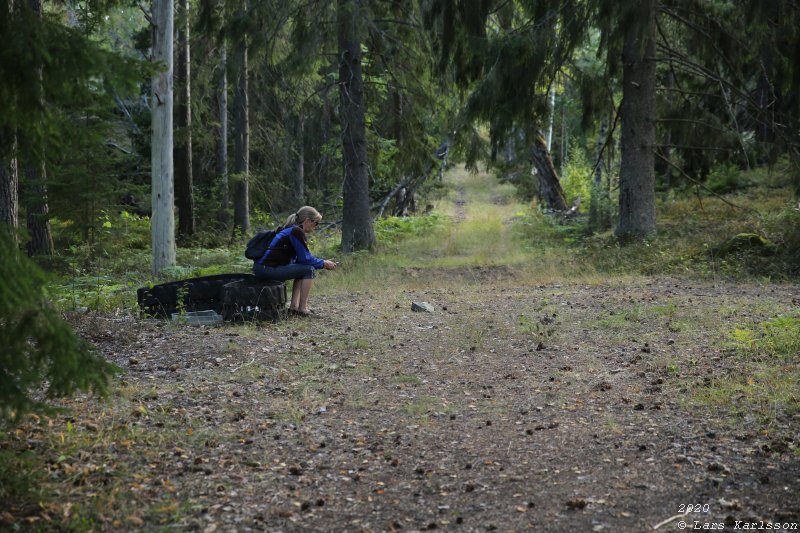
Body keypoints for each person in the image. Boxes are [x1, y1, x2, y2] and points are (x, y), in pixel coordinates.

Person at [253, 206, 336, 316]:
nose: (316, 226)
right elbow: (306, 259)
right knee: (308, 269)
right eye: (316, 223)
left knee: (302, 268)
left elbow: (302, 259)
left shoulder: (291, 229)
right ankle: (302, 309)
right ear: (307, 221)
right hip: (267, 269)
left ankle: (294, 308)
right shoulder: (296, 231)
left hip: (262, 268)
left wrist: (322, 262)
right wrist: (323, 263)